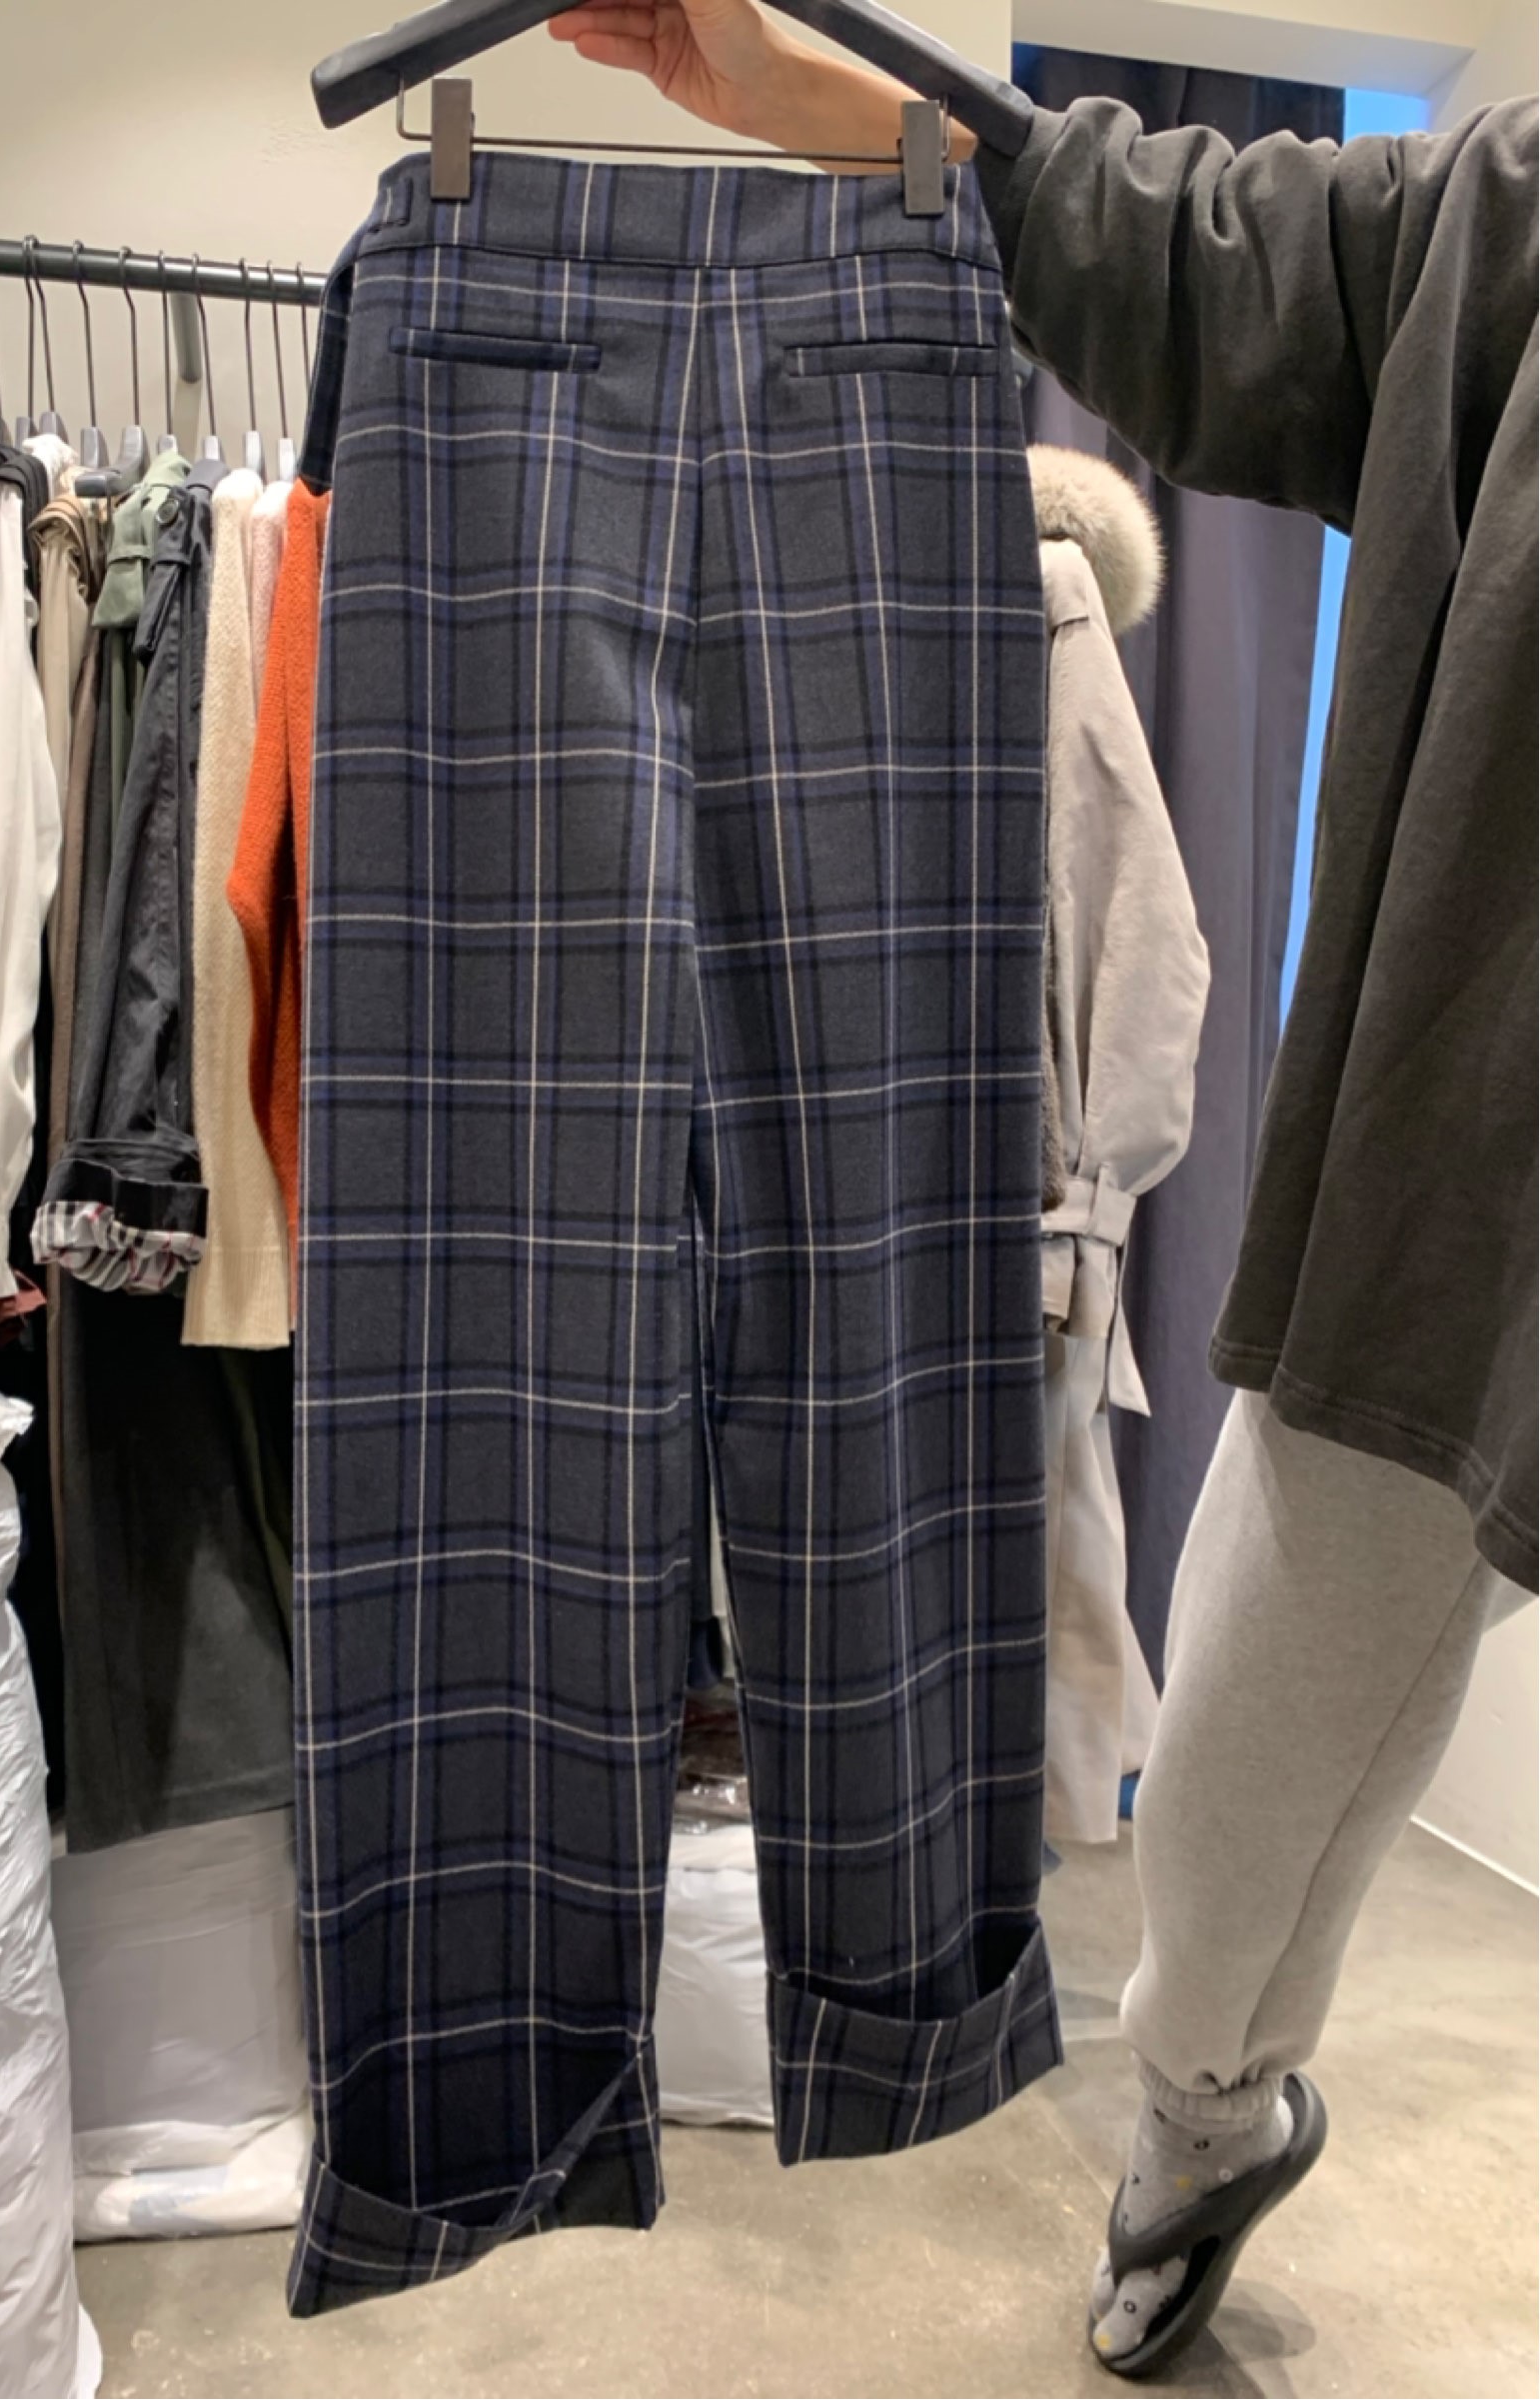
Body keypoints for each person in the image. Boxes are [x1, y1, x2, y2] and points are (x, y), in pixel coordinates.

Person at [545, 0, 1539, 2374]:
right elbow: (1203, 243)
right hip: (1487, 1151)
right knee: (1256, 1741)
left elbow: (1137, 987)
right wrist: (803, 89)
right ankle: (1203, 2119)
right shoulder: (1515, 223)